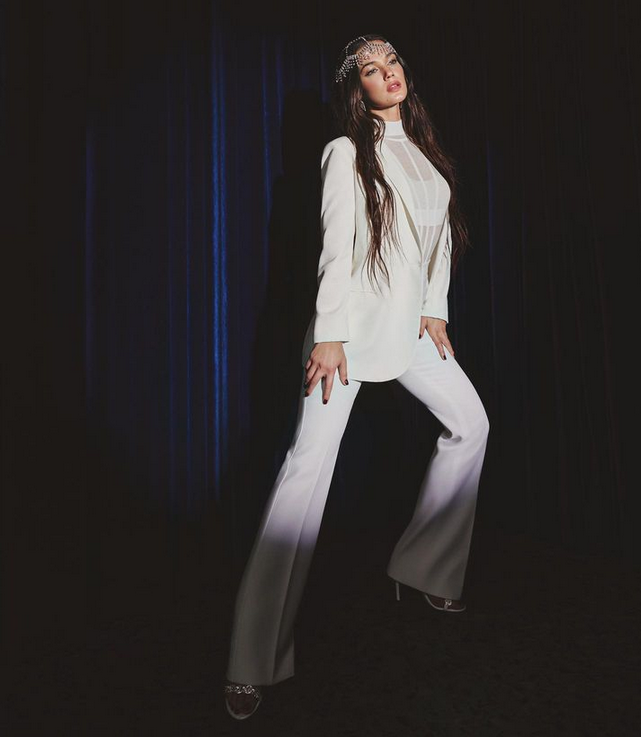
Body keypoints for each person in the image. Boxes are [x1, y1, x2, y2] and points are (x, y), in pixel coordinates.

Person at [223, 33, 490, 720]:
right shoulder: (345, 151)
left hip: (409, 332)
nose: (387, 73)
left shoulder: (426, 155)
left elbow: (437, 242)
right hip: (344, 337)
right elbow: (335, 249)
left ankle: (424, 566)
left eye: (392, 61)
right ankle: (252, 659)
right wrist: (329, 333)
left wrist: (435, 309)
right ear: (357, 88)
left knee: (471, 423)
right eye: (371, 69)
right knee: (302, 477)